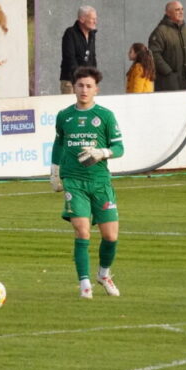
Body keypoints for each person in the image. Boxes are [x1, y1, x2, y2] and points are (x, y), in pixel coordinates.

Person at [50, 66, 124, 300]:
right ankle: (84, 284)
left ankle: (103, 274)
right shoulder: (64, 116)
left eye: (89, 86)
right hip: (74, 181)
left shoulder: (105, 116)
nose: (84, 90)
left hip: (100, 182)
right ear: (74, 87)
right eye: (80, 85)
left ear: (96, 89)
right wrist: (54, 170)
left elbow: (119, 148)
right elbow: (59, 143)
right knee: (82, 231)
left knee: (110, 236)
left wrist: (102, 152)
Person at [148, 0, 186, 92]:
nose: (181, 12)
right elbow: (154, 54)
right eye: (177, 10)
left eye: (182, 9)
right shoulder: (160, 32)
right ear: (168, 13)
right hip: (168, 84)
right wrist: (169, 73)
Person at [60, 6, 98, 94]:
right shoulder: (70, 33)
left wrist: (94, 78)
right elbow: (70, 58)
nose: (95, 22)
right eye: (92, 19)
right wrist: (81, 77)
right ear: (82, 19)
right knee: (72, 106)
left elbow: (93, 58)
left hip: (88, 82)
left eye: (96, 19)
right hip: (71, 82)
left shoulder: (92, 34)